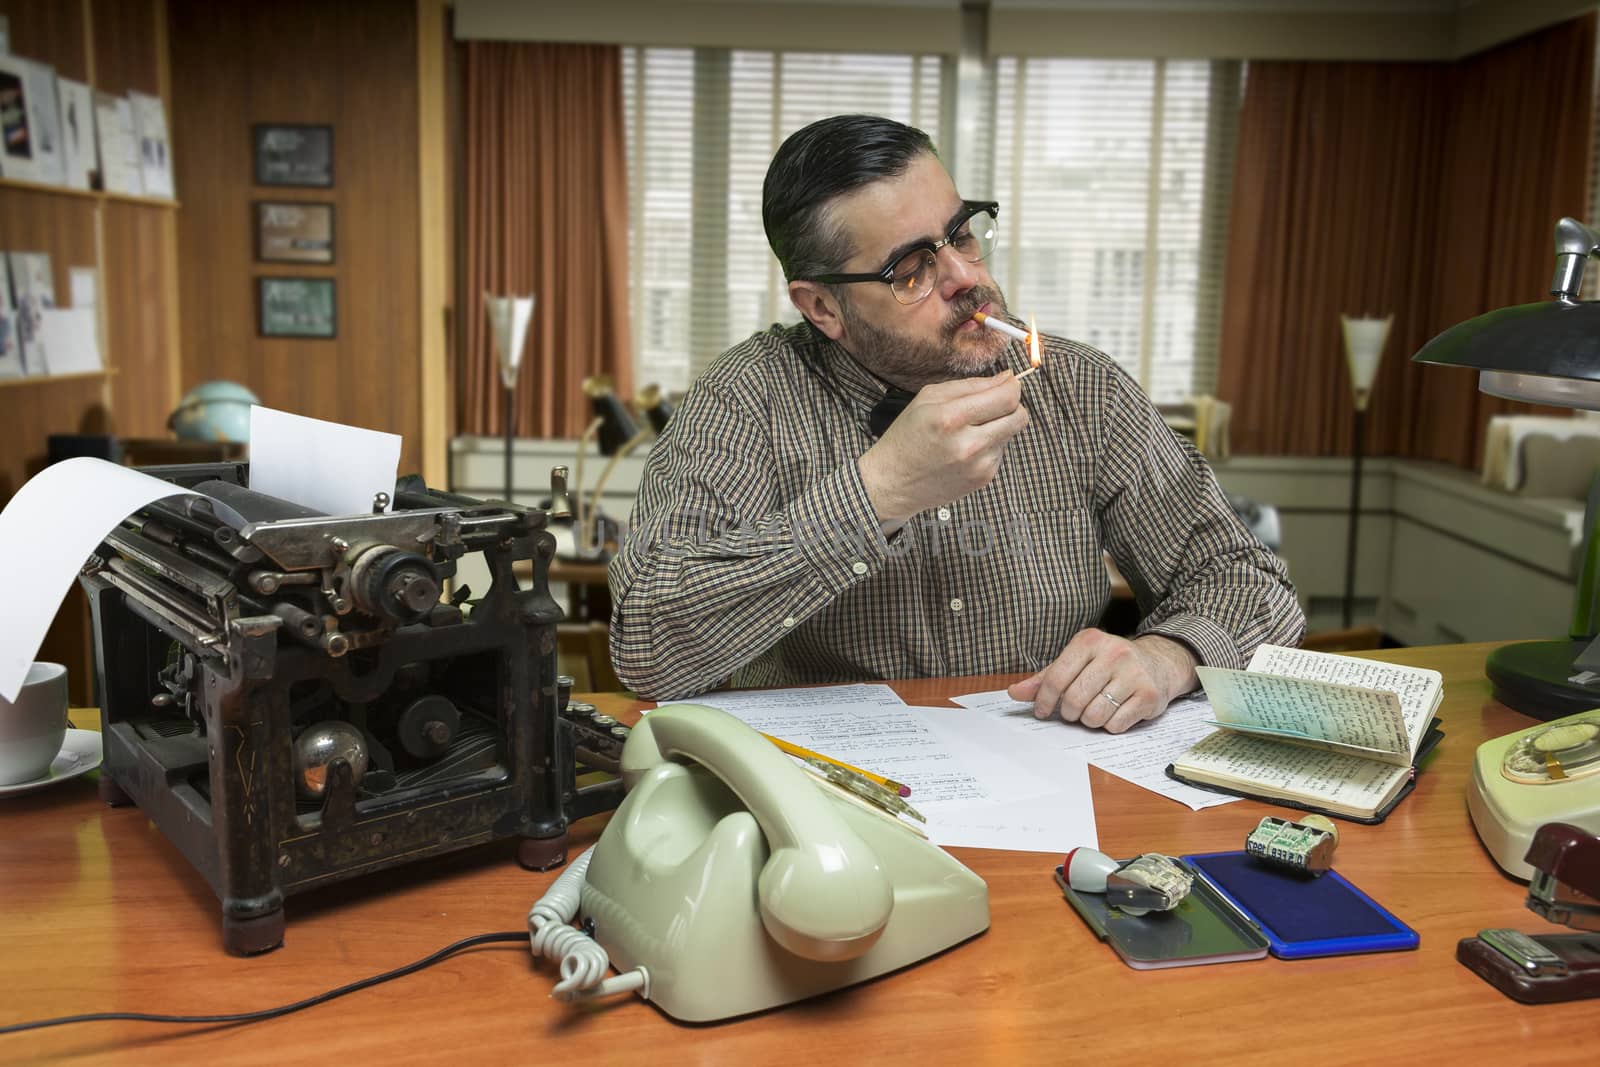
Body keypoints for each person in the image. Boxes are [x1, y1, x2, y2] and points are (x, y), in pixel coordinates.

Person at [607, 114, 1304, 733]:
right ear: (822, 307)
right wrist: (876, 491)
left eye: (962, 234)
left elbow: (1249, 580)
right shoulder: (745, 399)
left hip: (1051, 778)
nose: (965, 277)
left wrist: (1167, 655)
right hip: (823, 804)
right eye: (911, 269)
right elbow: (645, 646)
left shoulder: (1079, 387)